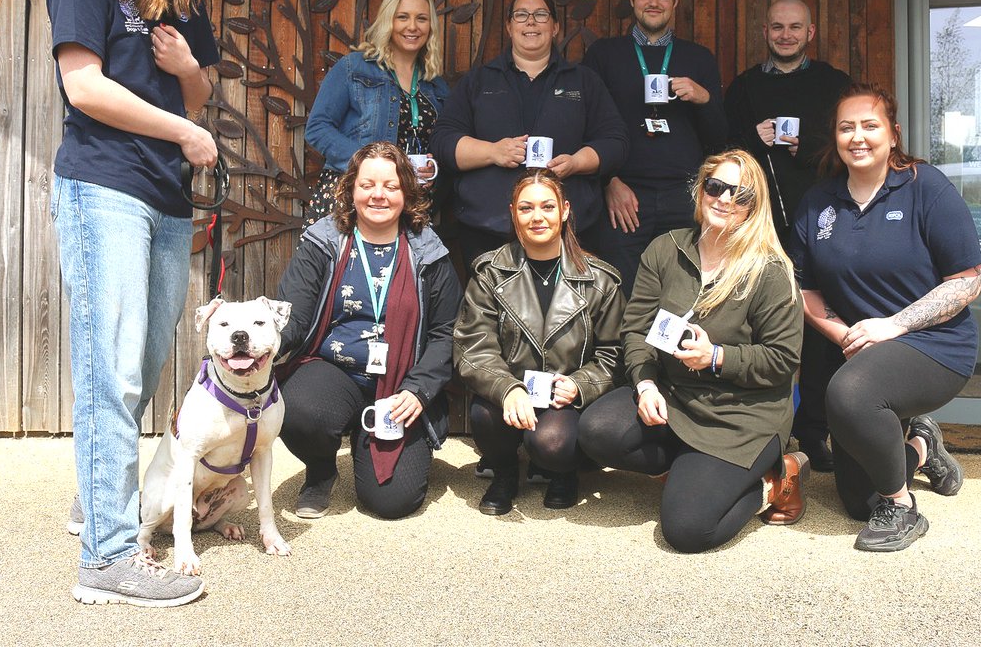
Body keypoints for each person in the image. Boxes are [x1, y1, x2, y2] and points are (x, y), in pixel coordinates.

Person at [48, 0, 218, 607]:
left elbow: (203, 95)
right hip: (104, 185)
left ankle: (98, 502)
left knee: (142, 367)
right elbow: (83, 87)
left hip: (167, 200)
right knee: (111, 371)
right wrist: (179, 132)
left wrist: (186, 66)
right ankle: (109, 555)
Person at [578, 150, 808, 554]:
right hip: (675, 395)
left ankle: (775, 481)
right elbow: (636, 328)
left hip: (742, 414)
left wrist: (717, 357)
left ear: (755, 207)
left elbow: (782, 360)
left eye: (739, 195)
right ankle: (692, 470)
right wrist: (646, 383)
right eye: (715, 187)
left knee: (688, 530)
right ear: (700, 189)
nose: (723, 200)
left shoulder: (770, 269)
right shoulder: (666, 249)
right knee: (596, 431)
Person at [789, 83, 981, 552]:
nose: (858, 137)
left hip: (935, 346)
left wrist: (895, 325)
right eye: (846, 127)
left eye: (870, 126)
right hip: (861, 350)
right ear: (834, 137)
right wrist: (845, 335)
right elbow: (804, 289)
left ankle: (902, 507)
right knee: (859, 499)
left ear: (892, 134)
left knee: (851, 391)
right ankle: (921, 445)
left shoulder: (925, 186)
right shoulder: (818, 202)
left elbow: (968, 280)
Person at [275, 142, 461, 521]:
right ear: (351, 189)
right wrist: (255, 342)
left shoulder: (429, 251)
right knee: (297, 409)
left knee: (391, 504)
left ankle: (385, 442)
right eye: (368, 184)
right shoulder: (323, 241)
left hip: (401, 384)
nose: (378, 194)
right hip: (334, 372)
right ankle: (322, 469)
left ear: (407, 193)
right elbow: (294, 318)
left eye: (391, 186)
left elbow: (448, 331)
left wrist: (420, 389)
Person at [725, 0, 853, 472]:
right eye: (777, 27)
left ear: (810, 32)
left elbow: (849, 147)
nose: (785, 35)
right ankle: (760, 428)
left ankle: (816, 431)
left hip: (823, 225)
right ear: (766, 30)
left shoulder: (834, 84)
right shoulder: (744, 87)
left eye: (794, 27)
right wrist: (751, 142)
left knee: (818, 330)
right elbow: (724, 151)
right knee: (755, 325)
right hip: (756, 228)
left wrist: (807, 148)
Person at [452, 171, 625, 514]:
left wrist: (579, 385)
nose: (537, 217)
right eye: (526, 208)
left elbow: (615, 352)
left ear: (564, 211)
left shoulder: (600, 279)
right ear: (513, 212)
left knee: (551, 443)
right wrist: (508, 388)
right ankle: (504, 472)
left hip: (565, 398)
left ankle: (563, 472)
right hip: (511, 391)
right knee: (485, 416)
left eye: (547, 206)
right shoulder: (490, 273)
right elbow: (473, 345)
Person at [430, 0, 628, 270]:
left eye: (540, 15)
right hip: (488, 232)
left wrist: (576, 163)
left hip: (569, 233)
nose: (531, 22)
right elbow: (443, 142)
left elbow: (616, 142)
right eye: (521, 15)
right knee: (492, 313)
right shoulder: (479, 81)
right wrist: (493, 152)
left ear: (555, 27)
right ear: (509, 27)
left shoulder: (584, 81)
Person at [581, 0, 727, 294]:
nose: (654, 2)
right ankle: (629, 350)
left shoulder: (699, 58)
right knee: (622, 295)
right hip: (625, 196)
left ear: (675, 2)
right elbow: (586, 126)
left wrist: (704, 99)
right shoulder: (604, 54)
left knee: (685, 295)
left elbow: (719, 138)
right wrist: (608, 182)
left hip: (685, 195)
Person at [304, 0, 448, 226]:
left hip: (410, 204)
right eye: (402, 17)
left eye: (421, 19)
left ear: (431, 27)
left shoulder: (436, 85)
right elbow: (318, 128)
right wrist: (369, 165)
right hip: (350, 198)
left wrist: (433, 169)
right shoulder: (354, 67)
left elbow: (444, 142)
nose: (412, 26)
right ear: (388, 21)